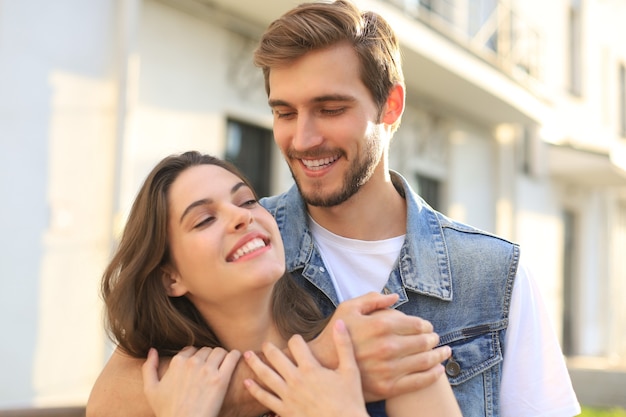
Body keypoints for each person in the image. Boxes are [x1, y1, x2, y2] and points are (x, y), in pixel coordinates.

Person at [88, 1, 581, 416]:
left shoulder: (492, 273)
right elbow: (116, 397)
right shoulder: (250, 248)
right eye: (284, 112)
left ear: (390, 108)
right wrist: (322, 359)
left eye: (330, 109)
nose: (303, 139)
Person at [98, 150, 462, 417]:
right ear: (170, 278)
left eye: (248, 201)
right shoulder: (170, 389)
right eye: (205, 219)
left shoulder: (385, 346)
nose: (242, 216)